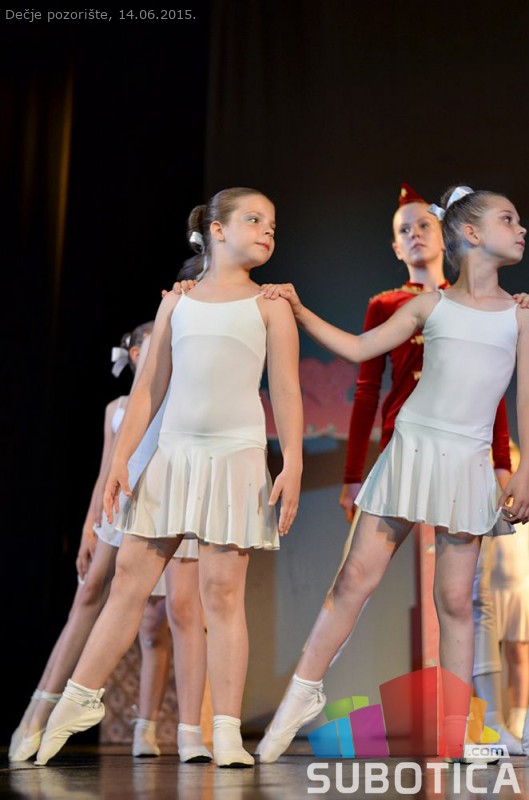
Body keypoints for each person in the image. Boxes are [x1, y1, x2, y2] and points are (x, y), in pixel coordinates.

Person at [256, 185, 529, 763]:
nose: (521, 228)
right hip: (412, 452)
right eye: (509, 219)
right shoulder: (430, 307)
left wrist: (523, 470)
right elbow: (360, 351)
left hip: (468, 464)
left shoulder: (520, 314)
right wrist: (300, 311)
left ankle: (455, 734)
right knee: (353, 580)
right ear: (472, 234)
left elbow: (524, 400)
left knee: (455, 601)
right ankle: (298, 699)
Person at [34, 186, 303, 768]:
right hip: (174, 455)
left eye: (272, 224)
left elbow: (285, 388)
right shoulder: (176, 304)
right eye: (254, 219)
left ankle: (225, 731)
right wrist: (121, 463)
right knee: (128, 582)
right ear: (216, 230)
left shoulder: (270, 306)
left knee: (222, 595)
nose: (267, 230)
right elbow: (149, 390)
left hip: (235, 457)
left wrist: (294, 462)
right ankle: (77, 700)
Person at [338, 183, 521, 753]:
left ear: (447, 236)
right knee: (368, 579)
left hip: (468, 457)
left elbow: (491, 392)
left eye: (423, 225)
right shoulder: (395, 305)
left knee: (469, 596)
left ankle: (479, 721)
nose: (416, 235)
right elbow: (366, 389)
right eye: (404, 231)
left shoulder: (498, 307)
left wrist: (501, 464)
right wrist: (352, 472)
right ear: (395, 248)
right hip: (409, 454)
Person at [9, 324, 209, 763]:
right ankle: (37, 713)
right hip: (123, 496)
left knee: (170, 616)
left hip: (170, 493)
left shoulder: (180, 391)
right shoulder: (118, 407)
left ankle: (169, 729)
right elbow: (106, 469)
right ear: (136, 353)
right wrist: (88, 527)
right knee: (89, 595)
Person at [490, 441, 529, 740]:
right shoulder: (492, 499)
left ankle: (518, 719)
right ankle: (486, 719)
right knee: (487, 654)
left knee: (518, 653)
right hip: (492, 586)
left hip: (519, 585)